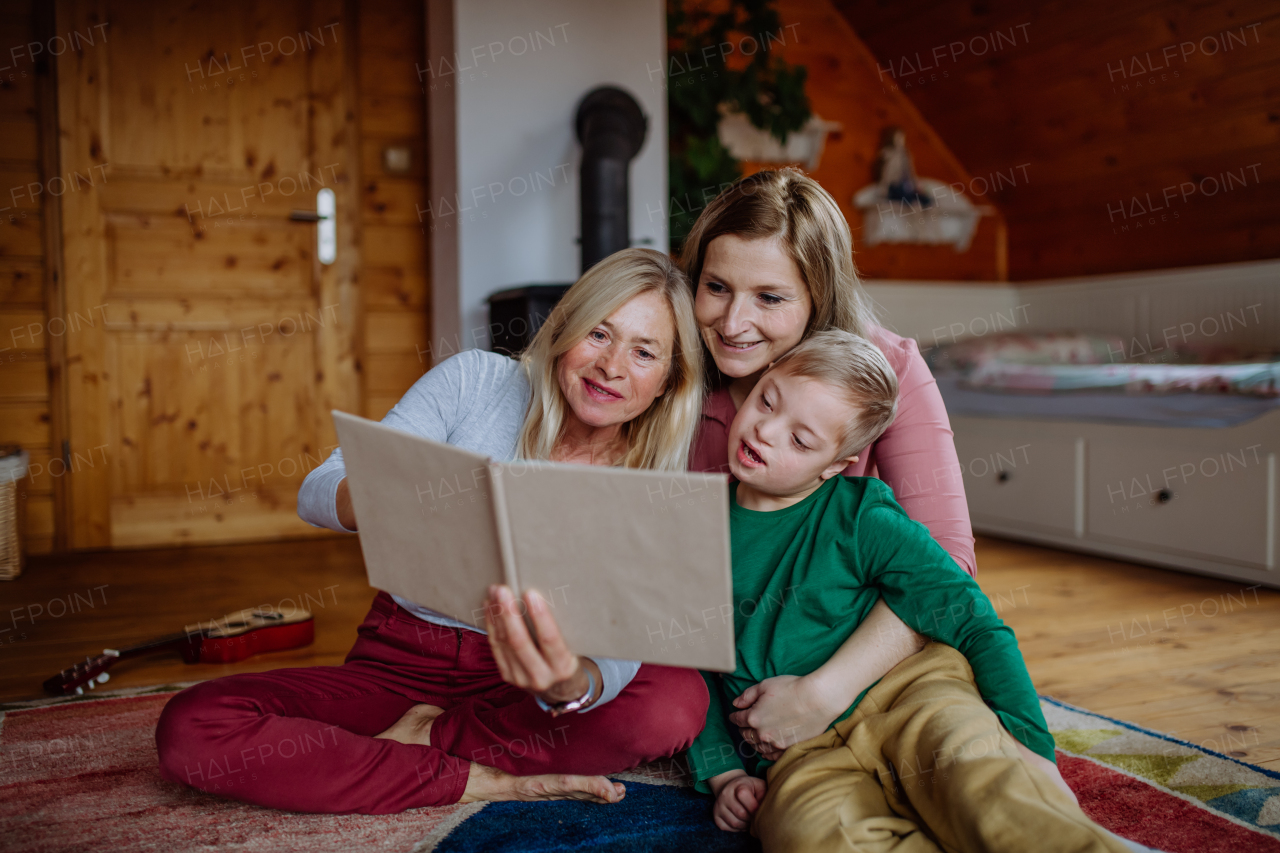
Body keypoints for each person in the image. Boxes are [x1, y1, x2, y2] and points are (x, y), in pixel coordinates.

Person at [155, 248, 709, 815]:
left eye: (644, 352)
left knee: (675, 702)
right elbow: (320, 487)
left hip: (527, 685)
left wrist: (575, 682)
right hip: (402, 662)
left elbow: (624, 651)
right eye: (599, 333)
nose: (612, 365)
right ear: (565, 330)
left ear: (668, 381)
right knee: (192, 727)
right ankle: (480, 779)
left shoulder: (652, 482)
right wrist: (388, 498)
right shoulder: (478, 380)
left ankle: (426, 743)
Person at [691, 330, 1130, 852]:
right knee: (807, 835)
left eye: (801, 440)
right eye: (767, 400)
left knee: (980, 781)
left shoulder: (861, 515)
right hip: (797, 750)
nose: (766, 430)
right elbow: (689, 667)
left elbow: (970, 616)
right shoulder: (695, 530)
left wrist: (1033, 747)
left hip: (911, 695)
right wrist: (725, 775)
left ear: (833, 466)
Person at [681, 167, 978, 761]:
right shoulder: (670, 368)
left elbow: (949, 564)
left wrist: (826, 691)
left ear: (819, 298)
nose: (733, 323)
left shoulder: (889, 367)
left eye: (769, 297)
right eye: (716, 287)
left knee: (954, 742)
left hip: (859, 645)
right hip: (733, 665)